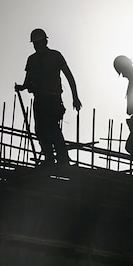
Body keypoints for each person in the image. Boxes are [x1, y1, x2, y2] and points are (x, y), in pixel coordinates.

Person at [15, 28, 82, 167]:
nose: (36, 45)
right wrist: (22, 87)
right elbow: (27, 81)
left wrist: (75, 97)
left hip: (53, 99)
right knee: (40, 129)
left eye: (38, 42)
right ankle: (49, 158)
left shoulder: (55, 56)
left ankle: (62, 159)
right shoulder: (32, 59)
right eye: (35, 43)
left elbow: (69, 77)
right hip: (39, 99)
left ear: (45, 41)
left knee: (52, 128)